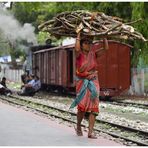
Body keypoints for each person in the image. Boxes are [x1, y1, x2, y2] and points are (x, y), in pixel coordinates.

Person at [69, 26, 108, 139]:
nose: (88, 44)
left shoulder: (94, 54)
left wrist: (105, 36)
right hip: (82, 83)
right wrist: (78, 34)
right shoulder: (78, 54)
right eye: (85, 42)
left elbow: (105, 49)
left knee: (93, 107)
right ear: (81, 44)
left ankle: (90, 132)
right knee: (82, 107)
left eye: (90, 43)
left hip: (94, 82)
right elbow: (76, 49)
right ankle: (78, 126)